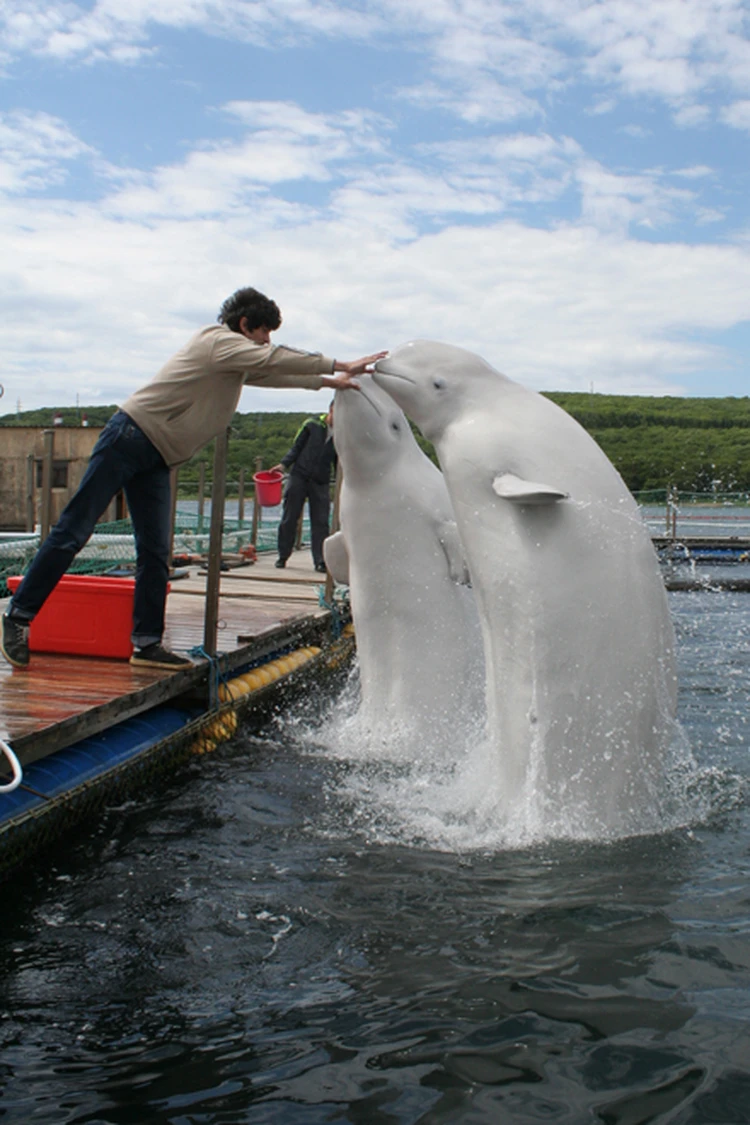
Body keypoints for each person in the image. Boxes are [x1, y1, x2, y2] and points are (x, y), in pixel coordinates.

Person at [1, 287, 385, 671]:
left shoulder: (233, 361)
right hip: (129, 438)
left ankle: (146, 643)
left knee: (155, 551)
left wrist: (327, 382)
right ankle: (17, 617)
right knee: (73, 530)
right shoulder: (216, 341)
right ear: (244, 325)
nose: (268, 341)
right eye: (264, 331)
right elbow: (271, 358)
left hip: (157, 456)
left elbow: (271, 372)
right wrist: (340, 364)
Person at [271, 402, 336, 572]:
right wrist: (283, 465)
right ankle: (283, 555)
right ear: (331, 410)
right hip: (299, 475)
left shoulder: (342, 434)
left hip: (321, 481)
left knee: (321, 522)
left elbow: (339, 461)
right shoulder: (311, 425)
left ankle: (320, 560)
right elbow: (296, 447)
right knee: (290, 517)